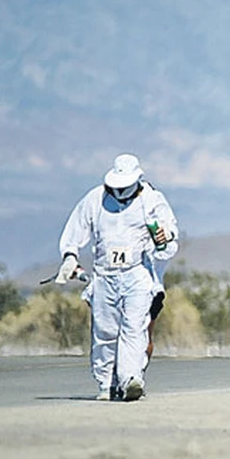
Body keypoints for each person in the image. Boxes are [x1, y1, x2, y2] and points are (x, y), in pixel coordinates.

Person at [56, 154, 179, 401]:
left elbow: (170, 239)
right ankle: (105, 383)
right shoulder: (95, 199)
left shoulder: (152, 200)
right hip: (104, 274)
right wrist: (70, 256)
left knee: (134, 328)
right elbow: (76, 228)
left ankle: (131, 380)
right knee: (105, 331)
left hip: (137, 274)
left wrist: (164, 238)